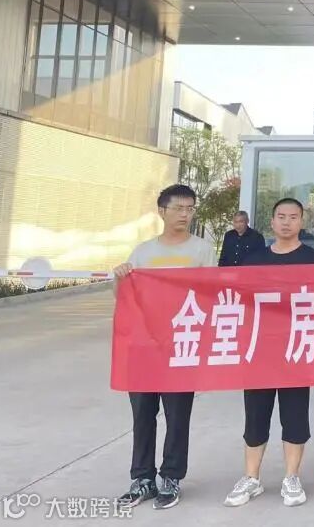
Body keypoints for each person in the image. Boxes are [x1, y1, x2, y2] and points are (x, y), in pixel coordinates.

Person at [112, 184, 215, 511]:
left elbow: (211, 295)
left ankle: (171, 476)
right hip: (144, 347)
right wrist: (121, 277)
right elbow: (124, 298)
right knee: (143, 415)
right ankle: (142, 478)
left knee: (177, 416)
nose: (185, 214)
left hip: (181, 346)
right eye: (178, 208)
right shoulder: (143, 252)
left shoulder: (202, 251)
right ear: (162, 211)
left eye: (190, 208)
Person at [223, 198, 314, 509]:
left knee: (294, 416)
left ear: (302, 222)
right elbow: (238, 304)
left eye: (293, 217)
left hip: (297, 350)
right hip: (260, 351)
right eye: (281, 216)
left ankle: (291, 477)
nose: (286, 222)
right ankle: (251, 477)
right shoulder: (253, 261)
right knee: (256, 416)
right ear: (271, 221)